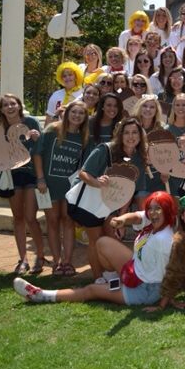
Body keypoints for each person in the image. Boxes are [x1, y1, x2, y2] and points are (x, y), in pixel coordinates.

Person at [14, 192, 176, 307]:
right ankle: (114, 282)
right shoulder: (154, 221)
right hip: (136, 270)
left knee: (91, 290)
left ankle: (42, 295)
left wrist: (162, 304)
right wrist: (121, 219)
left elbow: (171, 274)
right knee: (103, 243)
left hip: (145, 290)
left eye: (158, 208)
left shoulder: (163, 240)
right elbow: (137, 216)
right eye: (151, 208)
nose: (153, 213)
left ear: (167, 211)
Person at [70, 117, 149, 282]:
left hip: (112, 206)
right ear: (120, 135)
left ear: (140, 135)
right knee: (96, 240)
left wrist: (121, 217)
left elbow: (130, 190)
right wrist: (97, 182)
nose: (131, 136)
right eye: (126, 133)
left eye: (135, 132)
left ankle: (110, 274)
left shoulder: (139, 157)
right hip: (91, 202)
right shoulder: (105, 149)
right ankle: (98, 278)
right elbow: (83, 173)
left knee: (112, 238)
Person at [33, 99, 90, 277]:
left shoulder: (84, 138)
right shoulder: (52, 130)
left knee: (68, 221)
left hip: (69, 188)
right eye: (74, 112)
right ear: (67, 113)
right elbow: (37, 154)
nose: (77, 116)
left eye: (81, 113)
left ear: (85, 117)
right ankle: (56, 261)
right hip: (48, 185)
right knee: (52, 221)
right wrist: (40, 178)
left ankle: (67, 262)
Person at [0, 93, 44, 276]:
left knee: (30, 217)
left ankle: (40, 256)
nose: (10, 107)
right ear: (1, 109)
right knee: (18, 218)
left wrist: (37, 137)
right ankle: (22, 259)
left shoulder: (31, 122)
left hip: (31, 174)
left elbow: (41, 147)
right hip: (12, 177)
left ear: (19, 105)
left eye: (13, 104)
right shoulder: (0, 129)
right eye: (5, 105)